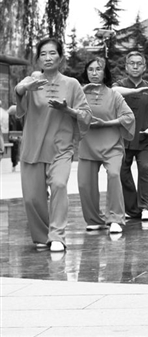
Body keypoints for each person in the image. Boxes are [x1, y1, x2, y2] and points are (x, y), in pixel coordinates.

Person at [14, 38, 92, 252]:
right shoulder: (31, 81)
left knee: (59, 184)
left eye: (52, 53)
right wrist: (23, 87)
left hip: (60, 148)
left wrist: (68, 110)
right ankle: (42, 236)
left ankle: (57, 235)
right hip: (33, 147)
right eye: (43, 54)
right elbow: (19, 96)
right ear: (37, 59)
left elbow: (86, 114)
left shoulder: (72, 84)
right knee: (32, 198)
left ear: (60, 57)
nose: (48, 58)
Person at [78, 57, 135, 234]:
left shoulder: (114, 95)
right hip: (87, 145)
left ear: (105, 73)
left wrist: (106, 124)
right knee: (84, 184)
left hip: (112, 146)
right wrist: (80, 91)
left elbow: (128, 117)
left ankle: (115, 218)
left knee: (114, 174)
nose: (94, 73)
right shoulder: (79, 93)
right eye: (90, 69)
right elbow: (67, 111)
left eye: (98, 69)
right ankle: (94, 219)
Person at [113, 51, 148, 221]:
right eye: (131, 63)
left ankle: (146, 207)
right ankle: (132, 209)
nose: (135, 66)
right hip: (122, 140)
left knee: (145, 169)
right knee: (122, 172)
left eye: (139, 64)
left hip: (144, 139)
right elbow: (113, 91)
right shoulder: (119, 86)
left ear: (144, 67)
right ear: (126, 67)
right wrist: (136, 90)